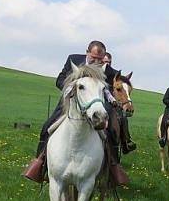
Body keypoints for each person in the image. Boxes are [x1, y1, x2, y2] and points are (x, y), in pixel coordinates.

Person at [22, 40, 129, 185]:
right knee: (47, 127)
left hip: (97, 104)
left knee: (111, 132)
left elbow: (113, 89)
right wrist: (68, 89)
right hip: (71, 100)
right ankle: (40, 165)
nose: (96, 61)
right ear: (87, 52)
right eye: (93, 58)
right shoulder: (73, 59)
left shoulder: (110, 71)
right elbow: (60, 78)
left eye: (100, 59)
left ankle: (113, 168)